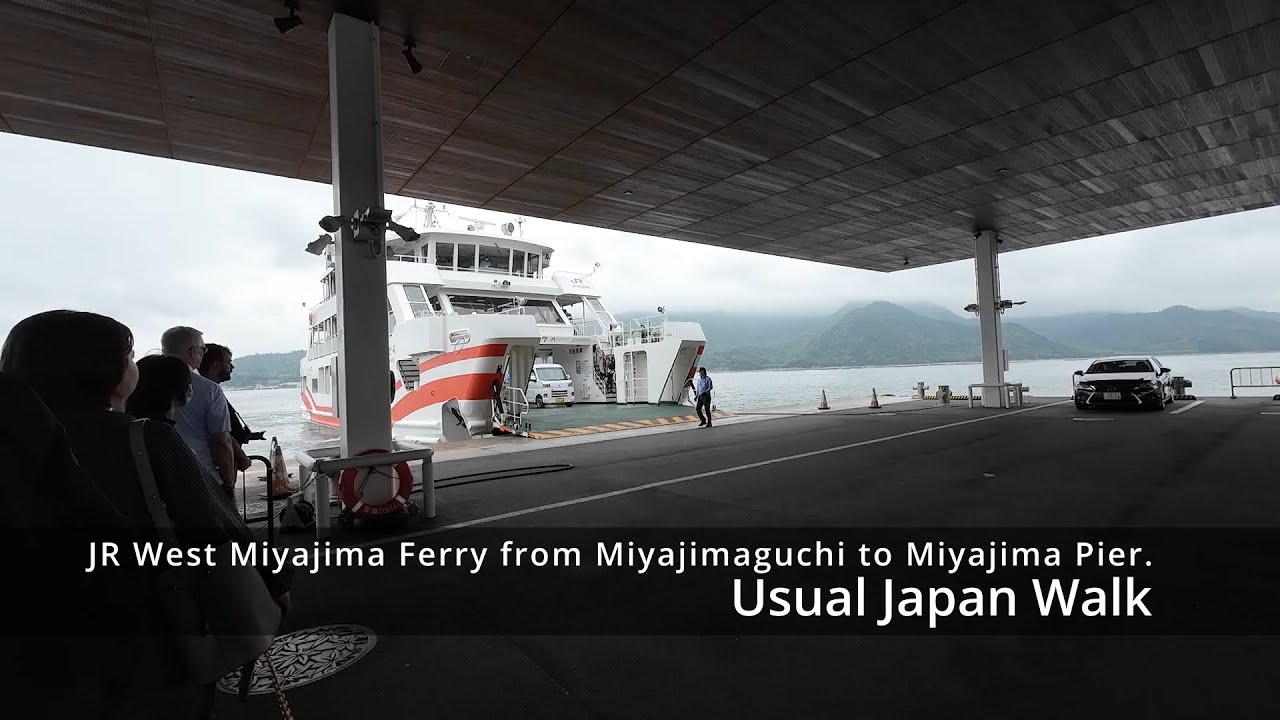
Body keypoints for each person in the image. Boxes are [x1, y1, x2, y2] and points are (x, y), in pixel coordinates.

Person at [1, 309, 293, 717]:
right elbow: (216, 525)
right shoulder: (146, 437)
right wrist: (276, 581)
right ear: (103, 369)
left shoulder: (16, 441)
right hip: (146, 633)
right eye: (129, 354)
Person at [161, 326, 239, 497]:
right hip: (202, 474)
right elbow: (221, 441)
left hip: (157, 474)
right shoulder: (208, 389)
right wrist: (228, 483)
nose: (203, 354)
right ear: (192, 351)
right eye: (203, 350)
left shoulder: (142, 381)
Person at [199, 343, 257, 471]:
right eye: (228, 362)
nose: (232, 366)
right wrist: (241, 458)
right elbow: (221, 436)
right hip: (219, 468)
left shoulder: (207, 391)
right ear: (216, 365)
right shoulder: (210, 392)